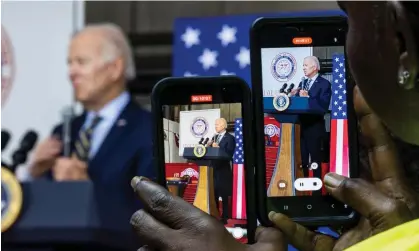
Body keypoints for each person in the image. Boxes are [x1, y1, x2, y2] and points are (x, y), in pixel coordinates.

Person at [130, 1, 419, 251]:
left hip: (313, 128)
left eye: (349, 13)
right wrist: (393, 240)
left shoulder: (319, 86)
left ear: (400, 39)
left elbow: (319, 104)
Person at [29, 23, 155, 186]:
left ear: (115, 68)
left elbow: (153, 204)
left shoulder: (150, 130)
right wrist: (35, 173)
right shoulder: (63, 132)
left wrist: (84, 189)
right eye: (70, 63)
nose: (72, 72)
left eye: (81, 62)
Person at [290, 56, 331, 181]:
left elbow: (323, 107)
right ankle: (303, 188)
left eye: (306, 65)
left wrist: (309, 97)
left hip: (314, 127)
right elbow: (297, 105)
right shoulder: (302, 83)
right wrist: (292, 96)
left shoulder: (324, 84)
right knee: (301, 160)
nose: (303, 68)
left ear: (314, 67)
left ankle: (316, 191)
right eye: (303, 65)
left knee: (315, 160)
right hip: (300, 127)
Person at [207, 118, 236, 222]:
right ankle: (215, 215)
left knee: (224, 194)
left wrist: (218, 148)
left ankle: (225, 216)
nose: (216, 126)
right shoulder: (214, 137)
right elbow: (211, 152)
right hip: (213, 169)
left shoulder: (230, 138)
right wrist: (208, 146)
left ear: (224, 125)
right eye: (215, 124)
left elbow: (229, 154)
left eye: (217, 124)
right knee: (213, 192)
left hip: (223, 170)